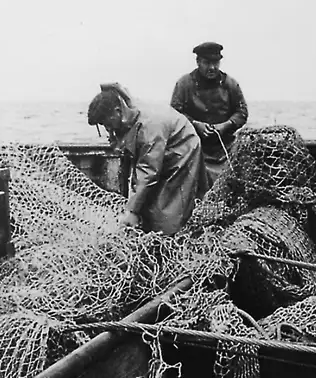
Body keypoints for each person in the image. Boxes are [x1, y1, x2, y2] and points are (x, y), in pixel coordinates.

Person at [88, 83, 208, 235]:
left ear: (117, 112)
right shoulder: (126, 111)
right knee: (145, 201)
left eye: (106, 123)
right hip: (161, 143)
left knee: (168, 208)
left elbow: (148, 172)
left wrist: (131, 211)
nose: (107, 128)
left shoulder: (149, 127)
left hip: (182, 147)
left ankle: (169, 238)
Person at [170, 41, 249, 186]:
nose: (212, 67)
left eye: (216, 63)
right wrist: (195, 124)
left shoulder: (230, 84)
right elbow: (175, 113)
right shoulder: (184, 84)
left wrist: (226, 125)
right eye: (207, 63)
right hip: (193, 146)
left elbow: (242, 112)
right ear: (198, 61)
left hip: (225, 147)